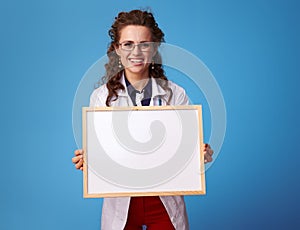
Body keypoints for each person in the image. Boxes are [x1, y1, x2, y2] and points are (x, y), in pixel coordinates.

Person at [72, 9, 214, 230]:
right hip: (122, 204)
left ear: (154, 48)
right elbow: (104, 154)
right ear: (117, 49)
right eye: (128, 44)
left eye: (144, 44)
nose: (136, 51)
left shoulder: (175, 95)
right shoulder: (101, 98)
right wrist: (90, 161)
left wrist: (200, 155)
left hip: (164, 202)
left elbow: (185, 152)